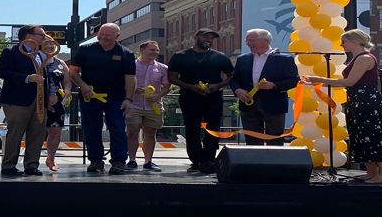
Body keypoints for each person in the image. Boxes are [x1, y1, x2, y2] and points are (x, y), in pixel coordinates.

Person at [303, 29, 382, 184]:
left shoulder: (364, 58)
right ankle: (371, 172)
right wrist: (319, 82)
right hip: (357, 100)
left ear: (355, 41)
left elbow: (350, 82)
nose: (342, 45)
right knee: (359, 135)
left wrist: (319, 79)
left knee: (372, 135)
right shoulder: (357, 58)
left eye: (344, 41)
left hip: (367, 101)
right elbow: (349, 83)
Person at [69, 22, 136, 174]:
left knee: (118, 128)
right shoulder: (85, 49)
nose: (103, 38)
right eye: (101, 35)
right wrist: (83, 86)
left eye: (107, 35)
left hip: (116, 97)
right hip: (90, 95)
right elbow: (73, 72)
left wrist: (128, 99)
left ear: (117, 36)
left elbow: (131, 79)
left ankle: (118, 161)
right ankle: (96, 161)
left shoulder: (126, 53)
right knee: (91, 128)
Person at [168, 28, 235, 173]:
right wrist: (191, 87)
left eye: (211, 38)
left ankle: (209, 160)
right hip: (189, 97)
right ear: (196, 36)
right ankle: (196, 160)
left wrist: (217, 85)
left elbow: (231, 76)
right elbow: (172, 77)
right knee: (192, 129)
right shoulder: (180, 56)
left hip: (213, 97)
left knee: (213, 129)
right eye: (206, 37)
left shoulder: (220, 57)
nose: (209, 40)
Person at [230, 28, 299, 145]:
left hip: (274, 105)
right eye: (247, 40)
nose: (247, 43)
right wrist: (237, 90)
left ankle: (273, 163)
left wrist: (274, 85)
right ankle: (255, 163)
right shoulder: (243, 59)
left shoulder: (284, 59)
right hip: (248, 105)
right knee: (252, 140)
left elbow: (294, 80)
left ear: (264, 40)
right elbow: (234, 80)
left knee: (274, 139)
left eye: (250, 40)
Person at [0, 25, 48, 177]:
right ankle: (9, 165)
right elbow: (3, 72)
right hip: (17, 100)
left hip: (39, 101)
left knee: (37, 133)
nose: (44, 39)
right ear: (28, 36)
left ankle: (32, 164)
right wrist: (27, 78)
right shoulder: (11, 52)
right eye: (41, 35)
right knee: (15, 132)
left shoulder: (41, 54)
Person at [127, 40, 170, 171]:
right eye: (152, 50)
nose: (155, 52)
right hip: (134, 105)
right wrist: (134, 90)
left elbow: (167, 86)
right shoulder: (131, 65)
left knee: (151, 134)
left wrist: (158, 95)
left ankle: (148, 161)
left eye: (156, 50)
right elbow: (123, 82)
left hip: (154, 106)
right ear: (142, 50)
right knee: (132, 132)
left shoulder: (163, 68)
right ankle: (132, 160)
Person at [40, 37, 71, 172]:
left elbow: (67, 81)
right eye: (46, 44)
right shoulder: (35, 60)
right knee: (36, 132)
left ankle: (51, 158)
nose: (49, 46)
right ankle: (31, 161)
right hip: (38, 102)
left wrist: (67, 91)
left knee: (55, 132)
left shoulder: (60, 63)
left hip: (57, 103)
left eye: (52, 44)